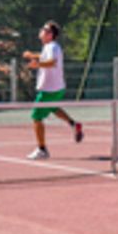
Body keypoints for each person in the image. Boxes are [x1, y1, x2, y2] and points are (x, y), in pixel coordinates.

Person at [23, 20, 83, 160]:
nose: (41, 31)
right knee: (53, 108)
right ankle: (74, 124)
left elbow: (51, 62)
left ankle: (42, 149)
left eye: (44, 29)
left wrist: (36, 64)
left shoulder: (53, 47)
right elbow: (45, 57)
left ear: (50, 35)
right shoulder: (49, 47)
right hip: (57, 89)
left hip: (49, 89)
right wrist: (33, 55)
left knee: (36, 117)